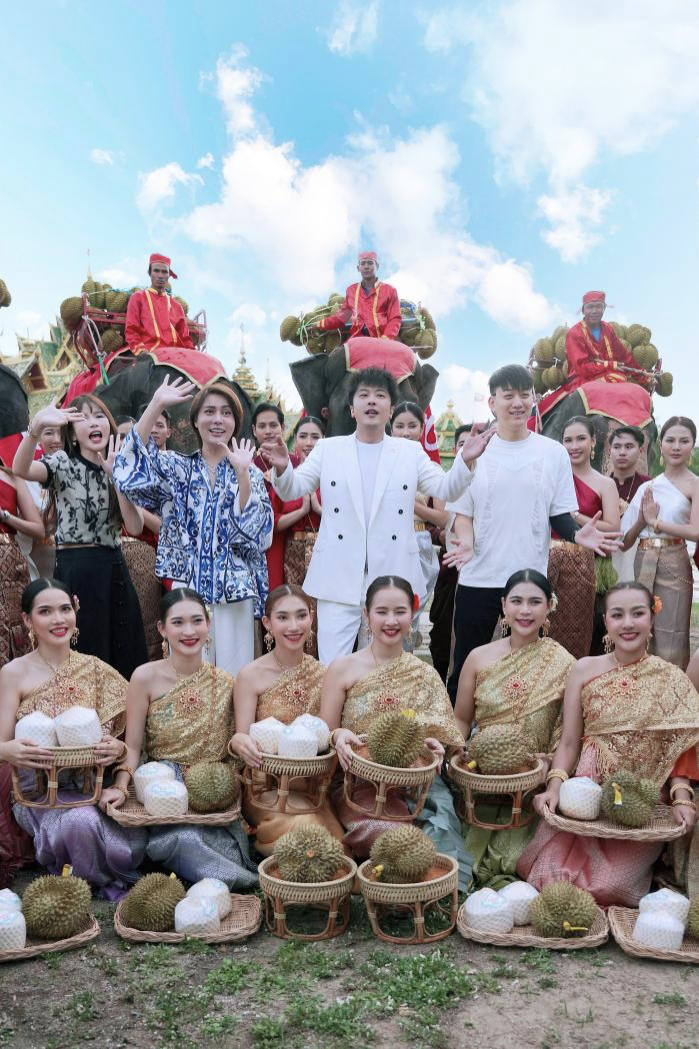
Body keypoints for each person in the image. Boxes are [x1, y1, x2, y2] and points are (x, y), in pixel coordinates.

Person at [265, 367, 494, 664]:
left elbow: (444, 487)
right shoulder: (328, 449)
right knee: (333, 663)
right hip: (338, 572)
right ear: (352, 408)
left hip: (391, 571)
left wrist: (465, 461)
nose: (371, 401)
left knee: (383, 666)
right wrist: (283, 468)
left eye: (380, 395)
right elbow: (293, 488)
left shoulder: (410, 452)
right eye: (364, 395)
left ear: (391, 409)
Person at [444, 365, 621, 700]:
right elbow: (462, 513)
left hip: (529, 578)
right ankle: (460, 729)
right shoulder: (474, 451)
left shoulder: (552, 453)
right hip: (479, 575)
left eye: (524, 395)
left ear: (533, 400)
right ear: (492, 402)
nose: (517, 403)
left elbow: (559, 513)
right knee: (467, 663)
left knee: (524, 667)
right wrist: (466, 542)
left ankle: (520, 727)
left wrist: (576, 534)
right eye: (508, 395)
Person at [519, 582, 699, 906]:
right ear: (606, 621)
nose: (628, 623)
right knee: (550, 875)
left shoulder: (670, 678)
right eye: (617, 615)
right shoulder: (584, 669)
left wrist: (682, 798)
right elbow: (569, 741)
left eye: (637, 613)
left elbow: (679, 747)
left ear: (652, 618)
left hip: (639, 802)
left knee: (610, 887)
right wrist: (555, 787)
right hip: (585, 795)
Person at [113, 376, 272, 676]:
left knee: (234, 678)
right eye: (209, 411)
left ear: (235, 423)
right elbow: (126, 470)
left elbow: (260, 537)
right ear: (195, 421)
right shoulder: (176, 467)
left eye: (226, 412)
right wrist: (156, 404)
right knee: (187, 678)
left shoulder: (250, 472)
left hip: (234, 594)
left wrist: (242, 477)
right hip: (188, 592)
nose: (217, 419)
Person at [319, 575, 469, 886]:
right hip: (357, 783)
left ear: (412, 614)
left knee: (441, 825)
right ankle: (407, 875)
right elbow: (325, 732)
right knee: (395, 839)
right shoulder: (343, 668)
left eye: (400, 611)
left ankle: (438, 883)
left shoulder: (424, 673)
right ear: (366, 615)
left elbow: (444, 737)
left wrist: (434, 748)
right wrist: (338, 736)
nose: (391, 621)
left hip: (416, 780)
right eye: (381, 612)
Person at [103, 589, 257, 889]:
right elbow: (132, 746)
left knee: (194, 839)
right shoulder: (144, 678)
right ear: (162, 628)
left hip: (211, 788)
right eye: (178, 623)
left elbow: (235, 746)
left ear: (208, 625)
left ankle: (205, 871)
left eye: (197, 621)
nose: (189, 631)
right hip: (162, 785)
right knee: (154, 841)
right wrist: (121, 786)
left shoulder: (226, 682)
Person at [1, 579, 145, 898]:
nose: (58, 619)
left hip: (90, 787)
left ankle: (87, 869)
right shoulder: (14, 673)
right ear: (27, 619)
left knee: (136, 836)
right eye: (45, 611)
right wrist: (9, 750)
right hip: (37, 795)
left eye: (65, 609)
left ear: (75, 610)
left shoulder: (94, 668)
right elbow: (1, 745)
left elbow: (129, 739)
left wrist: (117, 748)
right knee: (80, 823)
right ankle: (94, 879)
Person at [454, 569, 574, 889]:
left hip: (534, 778)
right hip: (481, 775)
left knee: (521, 858)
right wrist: (454, 753)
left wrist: (548, 766)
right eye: (517, 601)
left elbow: (567, 732)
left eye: (535, 602)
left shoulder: (564, 663)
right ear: (504, 606)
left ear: (549, 607)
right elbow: (461, 719)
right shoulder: (479, 658)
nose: (525, 610)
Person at [13, 396, 148, 679]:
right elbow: (21, 470)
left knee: (124, 650)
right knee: (84, 650)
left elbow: (135, 526)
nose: (94, 422)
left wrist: (117, 478)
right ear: (73, 434)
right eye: (84, 418)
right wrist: (36, 429)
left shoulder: (121, 466)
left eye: (99, 416)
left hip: (113, 565)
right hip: (76, 566)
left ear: (109, 426)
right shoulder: (62, 462)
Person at [230, 584, 344, 853]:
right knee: (307, 828)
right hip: (264, 785)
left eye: (301, 615)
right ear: (267, 623)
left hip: (312, 784)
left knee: (335, 841)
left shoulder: (324, 674)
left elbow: (328, 736)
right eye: (282, 617)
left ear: (311, 618)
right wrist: (238, 742)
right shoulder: (251, 675)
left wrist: (339, 736)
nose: (294, 626)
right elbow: (241, 736)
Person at [621, 416, 699, 669]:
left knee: (672, 632)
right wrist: (641, 520)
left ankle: (671, 686)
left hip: (674, 561)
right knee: (640, 624)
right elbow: (625, 542)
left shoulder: (695, 485)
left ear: (692, 445)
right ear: (661, 444)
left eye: (684, 441)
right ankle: (637, 682)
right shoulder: (649, 487)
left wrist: (656, 522)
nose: (676, 446)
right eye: (670, 440)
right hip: (643, 560)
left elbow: (696, 531)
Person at [547, 416, 620, 659]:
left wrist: (574, 516)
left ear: (594, 442)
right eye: (568, 440)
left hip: (581, 563)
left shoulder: (605, 483)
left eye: (581, 439)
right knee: (542, 625)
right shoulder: (551, 478)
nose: (574, 446)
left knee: (576, 629)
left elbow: (612, 527)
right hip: (545, 558)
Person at [389, 402, 448, 651]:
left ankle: (406, 663)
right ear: (390, 428)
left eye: (412, 426)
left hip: (418, 542)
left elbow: (443, 519)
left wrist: (413, 505)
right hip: (385, 543)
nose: (406, 432)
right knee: (383, 608)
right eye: (400, 426)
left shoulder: (432, 469)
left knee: (409, 613)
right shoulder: (380, 465)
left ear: (422, 429)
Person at [537, 291, 650, 418]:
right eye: (590, 307)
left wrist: (643, 376)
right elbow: (582, 367)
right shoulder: (574, 333)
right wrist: (610, 365)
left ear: (604, 308)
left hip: (611, 376)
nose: (594, 311)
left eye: (598, 306)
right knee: (616, 378)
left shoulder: (608, 329)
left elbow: (624, 356)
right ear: (583, 310)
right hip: (582, 380)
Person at [276, 417, 324, 657]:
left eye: (315, 437)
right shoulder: (287, 478)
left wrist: (317, 509)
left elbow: (348, 519)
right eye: (303, 436)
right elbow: (274, 522)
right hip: (293, 550)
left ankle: (321, 665)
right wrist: (302, 511)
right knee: (295, 605)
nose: (309, 442)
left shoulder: (333, 476)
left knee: (321, 610)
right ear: (295, 441)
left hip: (325, 550)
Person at [429, 425, 472, 682]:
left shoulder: (491, 478)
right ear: (455, 449)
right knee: (442, 630)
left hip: (481, 569)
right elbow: (443, 520)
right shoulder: (446, 482)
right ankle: (439, 685)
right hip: (451, 565)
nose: (469, 448)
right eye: (463, 444)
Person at [0, 464, 44, 667]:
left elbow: (39, 529)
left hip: (11, 563)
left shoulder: (11, 476)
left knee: (17, 624)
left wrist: (5, 516)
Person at [252, 402, 296, 595]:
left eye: (273, 425)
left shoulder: (296, 463)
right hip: (268, 542)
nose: (268, 431)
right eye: (262, 426)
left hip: (297, 538)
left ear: (283, 427)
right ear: (254, 430)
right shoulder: (248, 465)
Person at [313, 251, 402, 341]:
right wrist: (319, 324)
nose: (366, 266)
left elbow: (395, 318)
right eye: (363, 263)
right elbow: (341, 318)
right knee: (341, 350)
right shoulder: (351, 290)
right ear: (358, 268)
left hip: (381, 339)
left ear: (377, 266)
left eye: (370, 263)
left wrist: (386, 338)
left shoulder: (390, 290)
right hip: (357, 340)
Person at [124, 253, 193, 354]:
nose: (160, 276)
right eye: (156, 271)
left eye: (164, 272)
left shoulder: (177, 306)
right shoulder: (137, 298)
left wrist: (194, 355)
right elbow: (131, 330)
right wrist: (140, 351)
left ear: (168, 275)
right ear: (150, 273)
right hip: (150, 355)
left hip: (176, 356)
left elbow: (185, 339)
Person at [609, 425, 650, 584]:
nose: (622, 452)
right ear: (609, 451)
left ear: (640, 451)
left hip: (639, 559)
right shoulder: (599, 484)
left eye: (629, 446)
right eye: (617, 447)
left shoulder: (649, 486)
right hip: (604, 558)